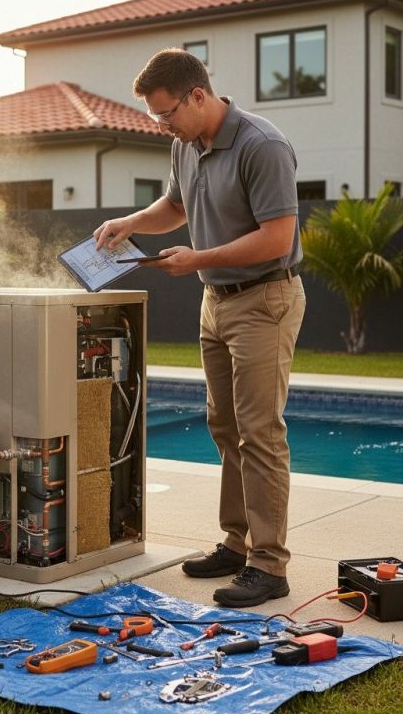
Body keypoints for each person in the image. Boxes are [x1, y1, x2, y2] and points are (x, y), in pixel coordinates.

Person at [94, 48, 306, 608]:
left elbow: (278, 237)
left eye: (167, 114)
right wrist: (130, 223)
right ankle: (238, 544)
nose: (163, 125)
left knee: (260, 432)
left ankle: (269, 565)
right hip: (216, 300)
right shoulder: (186, 144)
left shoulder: (262, 145)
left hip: (264, 298)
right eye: (156, 117)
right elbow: (175, 206)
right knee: (225, 427)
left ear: (197, 95)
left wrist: (198, 259)